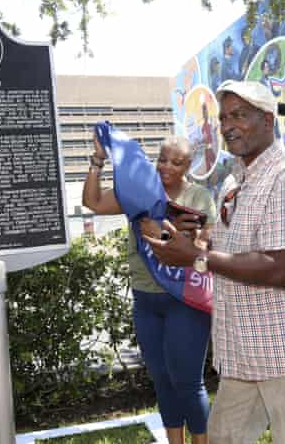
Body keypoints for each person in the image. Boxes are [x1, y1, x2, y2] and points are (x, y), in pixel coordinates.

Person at [146, 80, 285, 444]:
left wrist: (198, 258)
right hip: (244, 352)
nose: (228, 125)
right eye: (224, 118)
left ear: (268, 121)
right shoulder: (235, 180)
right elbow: (228, 250)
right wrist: (194, 240)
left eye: (240, 115)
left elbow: (280, 268)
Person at [82, 135, 216, 444]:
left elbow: (201, 252)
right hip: (145, 301)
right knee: (163, 382)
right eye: (163, 159)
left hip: (184, 301)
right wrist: (97, 160)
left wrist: (163, 236)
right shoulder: (139, 191)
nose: (167, 167)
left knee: (187, 382)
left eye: (177, 162)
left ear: (189, 166)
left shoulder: (200, 198)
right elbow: (93, 202)